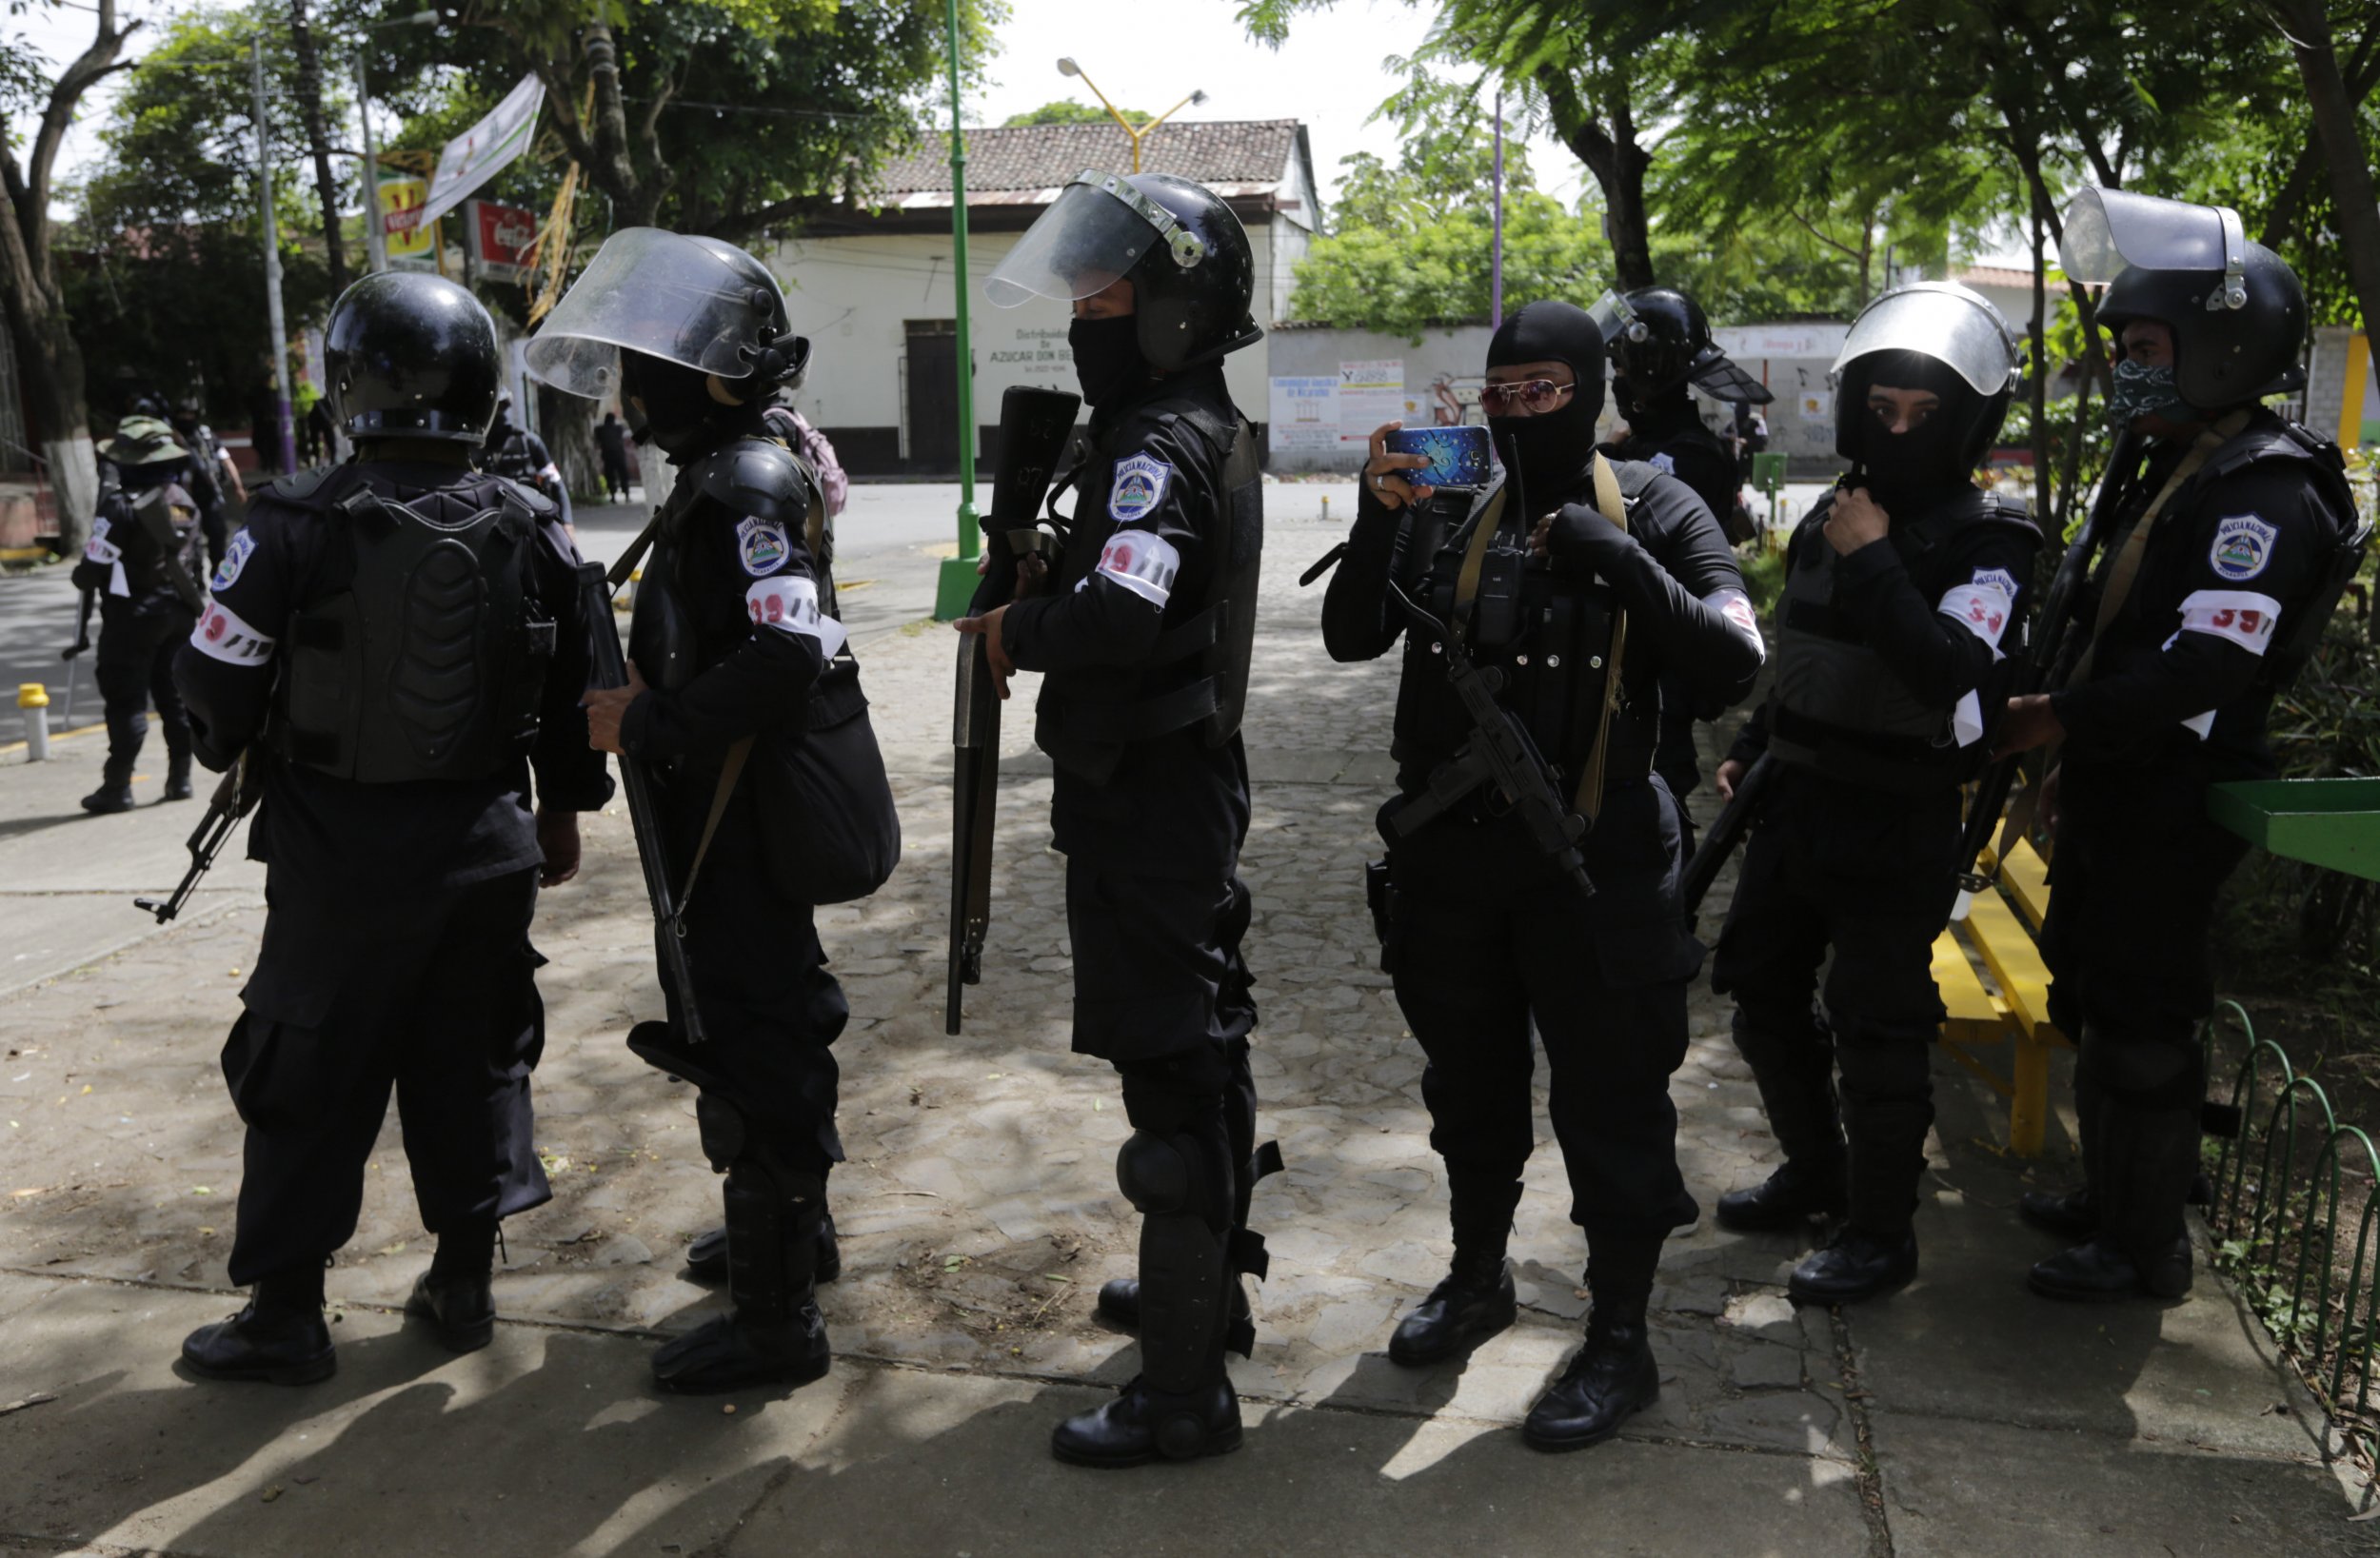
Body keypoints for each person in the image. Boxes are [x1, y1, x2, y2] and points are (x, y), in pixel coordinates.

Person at [1321, 299, 1766, 1451]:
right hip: (1452, 862)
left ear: (1589, 387)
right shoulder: (1450, 502)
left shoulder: (1660, 502)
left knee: (1613, 1104)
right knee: (1467, 1087)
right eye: (1500, 391)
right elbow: (1350, 636)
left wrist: (1623, 565)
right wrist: (1378, 522)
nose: (1518, 412)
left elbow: (1733, 659)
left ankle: (1620, 1338)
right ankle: (1479, 1275)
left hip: (1597, 863)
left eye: (1543, 391)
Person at [170, 270, 611, 1384]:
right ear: (480, 388)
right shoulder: (538, 529)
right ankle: (463, 1280)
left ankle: (285, 1312)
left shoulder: (287, 523)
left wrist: (236, 746)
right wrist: (558, 815)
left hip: (336, 856)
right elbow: (580, 705)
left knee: (306, 1064)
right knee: (475, 1058)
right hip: (487, 846)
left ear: (348, 383)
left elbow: (216, 685)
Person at [1994, 190, 2365, 1302]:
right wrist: (2077, 751)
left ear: (2221, 349)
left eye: (2147, 347)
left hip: (2175, 793)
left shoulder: (2262, 488)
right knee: (2102, 999)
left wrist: (2058, 718)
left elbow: (2204, 667)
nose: (2129, 370)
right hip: (2124, 780)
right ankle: (2114, 1196)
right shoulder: (2180, 461)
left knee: (2145, 1017)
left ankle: (2143, 1244)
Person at [960, 169, 1270, 1468]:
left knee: (1172, 1086)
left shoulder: (1155, 445)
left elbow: (1121, 620)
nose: (1085, 315)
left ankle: (1182, 1396)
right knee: (1204, 1042)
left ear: (1175, 313)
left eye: (1107, 293)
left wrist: (1015, 627)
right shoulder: (1182, 425)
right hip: (1165, 784)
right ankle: (1211, 1294)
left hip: (1151, 799)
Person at [532, 227, 855, 1392]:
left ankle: (781, 1323)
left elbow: (784, 651)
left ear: (720, 369)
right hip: (728, 815)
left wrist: (646, 727)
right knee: (762, 1018)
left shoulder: (749, 480)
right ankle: (793, 1233)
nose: (638, 380)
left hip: (743, 816)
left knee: (757, 1035)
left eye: (659, 355)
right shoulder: (724, 471)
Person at [1708, 283, 2039, 1305]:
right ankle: (1817, 1170)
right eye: (1881, 409)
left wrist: (1878, 558)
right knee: (1758, 992)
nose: (1897, 431)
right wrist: (1757, 741)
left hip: (1895, 816)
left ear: (1966, 422)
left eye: (1924, 414)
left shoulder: (1993, 541)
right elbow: (1805, 645)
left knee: (1879, 1025)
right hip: (1794, 798)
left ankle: (1879, 1232)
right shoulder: (1835, 513)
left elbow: (1956, 676)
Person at [1593, 286, 1774, 849]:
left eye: (1620, 363)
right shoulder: (1648, 445)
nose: (1615, 377)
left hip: (1661, 669)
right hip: (1623, 655)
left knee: (1655, 802)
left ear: (1649, 366)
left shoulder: (1683, 457)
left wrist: (1618, 458)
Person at [70, 410, 224, 813]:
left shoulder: (118, 507)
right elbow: (197, 561)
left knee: (126, 702)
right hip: (178, 613)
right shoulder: (183, 502)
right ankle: (181, 780)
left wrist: (81, 575)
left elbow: (91, 572)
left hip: (132, 618)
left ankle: (117, 786)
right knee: (174, 700)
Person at [481, 394, 574, 530]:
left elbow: (556, 483)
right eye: (496, 407)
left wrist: (567, 523)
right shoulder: (473, 448)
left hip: (533, 519)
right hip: (491, 525)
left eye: (502, 407)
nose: (500, 413)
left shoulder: (529, 442)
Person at [172, 397, 248, 507]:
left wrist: (239, 487)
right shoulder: (171, 437)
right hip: (180, 496)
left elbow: (226, 460)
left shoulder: (205, 435)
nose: (186, 417)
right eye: (182, 414)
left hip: (208, 492)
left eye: (189, 413)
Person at [594, 409, 634, 503]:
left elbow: (598, 440)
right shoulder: (618, 428)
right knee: (623, 476)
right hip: (619, 456)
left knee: (610, 477)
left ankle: (613, 497)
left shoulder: (600, 430)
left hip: (608, 456)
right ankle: (627, 496)